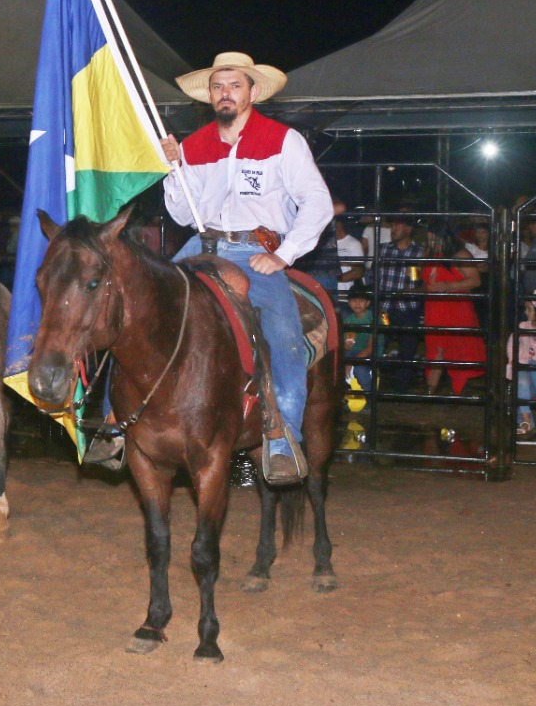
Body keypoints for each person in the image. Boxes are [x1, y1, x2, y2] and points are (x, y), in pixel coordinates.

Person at [159, 52, 332, 485]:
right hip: (202, 241)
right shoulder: (195, 145)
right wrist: (173, 168)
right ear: (210, 96)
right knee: (145, 304)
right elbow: (183, 214)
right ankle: (114, 420)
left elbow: (317, 201)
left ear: (253, 92)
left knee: (283, 335)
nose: (225, 93)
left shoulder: (282, 140)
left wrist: (285, 254)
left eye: (234, 85)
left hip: (257, 249)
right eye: (218, 87)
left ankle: (281, 439)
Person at [421, 224, 486, 396]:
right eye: (428, 239)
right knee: (435, 348)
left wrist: (450, 286)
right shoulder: (429, 254)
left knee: (455, 348)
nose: (431, 242)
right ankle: (431, 389)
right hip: (434, 308)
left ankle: (450, 389)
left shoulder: (461, 255)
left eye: (433, 239)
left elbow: (475, 280)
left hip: (456, 308)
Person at [369, 213, 426, 393]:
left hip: (407, 309)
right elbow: (373, 277)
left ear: (408, 229)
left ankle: (400, 388)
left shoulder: (420, 252)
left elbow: (424, 282)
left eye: (397, 226)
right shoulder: (383, 249)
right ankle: (371, 383)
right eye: (392, 226)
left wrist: (412, 292)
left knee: (407, 347)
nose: (393, 230)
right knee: (379, 341)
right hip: (384, 309)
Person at [512, 296, 536, 436]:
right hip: (526, 364)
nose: (525, 312)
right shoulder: (523, 327)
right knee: (521, 381)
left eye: (529, 309)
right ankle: (526, 420)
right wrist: (514, 359)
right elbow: (511, 344)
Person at [342, 282, 374, 394]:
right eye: (354, 300)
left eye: (361, 300)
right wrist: (345, 346)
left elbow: (371, 348)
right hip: (354, 352)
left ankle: (369, 396)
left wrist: (351, 361)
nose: (357, 303)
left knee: (360, 371)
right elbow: (348, 343)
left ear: (368, 303)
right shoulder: (348, 321)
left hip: (370, 353)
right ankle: (344, 395)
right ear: (349, 303)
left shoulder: (373, 320)